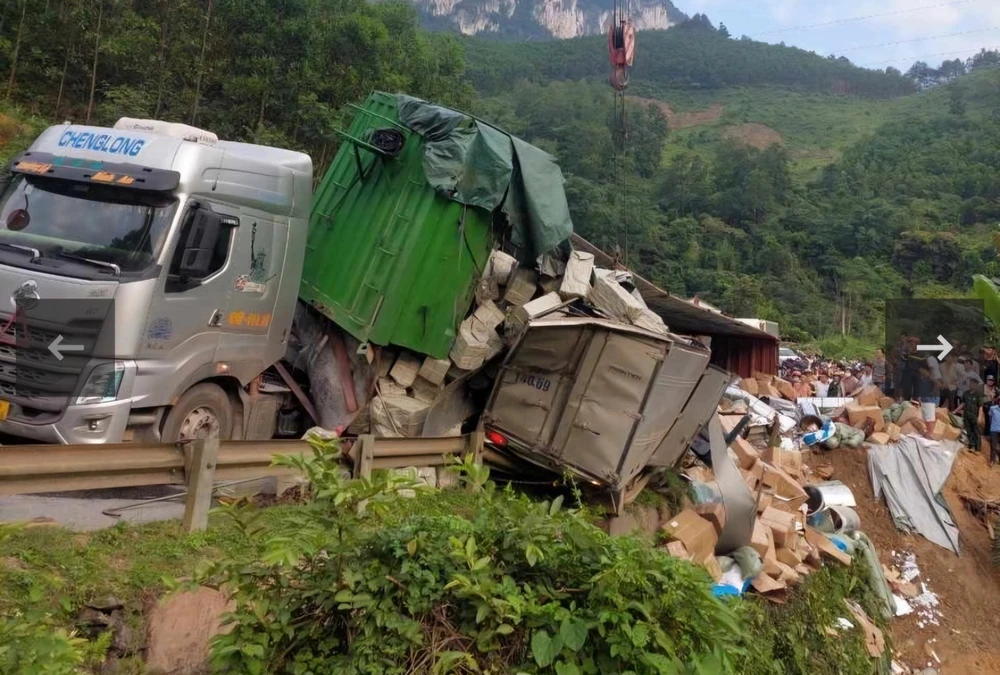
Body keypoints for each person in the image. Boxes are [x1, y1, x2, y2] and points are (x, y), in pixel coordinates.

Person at [989, 395, 1000, 466]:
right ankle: (992, 460)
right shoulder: (992, 408)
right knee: (993, 446)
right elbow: (989, 418)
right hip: (994, 430)